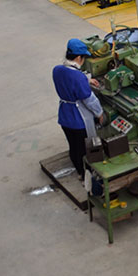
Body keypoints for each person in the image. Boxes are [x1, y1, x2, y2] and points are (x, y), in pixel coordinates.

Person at [52, 38, 104, 178]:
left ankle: (79, 171)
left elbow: (70, 77)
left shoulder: (57, 70)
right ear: (79, 57)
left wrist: (86, 79)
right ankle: (87, 175)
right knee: (84, 150)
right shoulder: (78, 77)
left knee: (73, 147)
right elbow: (89, 100)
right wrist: (100, 113)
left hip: (65, 117)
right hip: (78, 120)